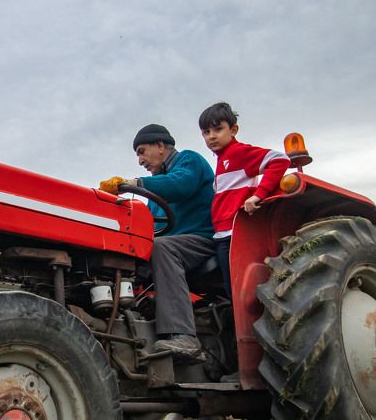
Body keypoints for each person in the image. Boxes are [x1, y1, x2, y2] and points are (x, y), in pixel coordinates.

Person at [98, 124, 215, 362]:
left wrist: (135, 184)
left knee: (163, 247)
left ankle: (183, 336)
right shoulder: (157, 189)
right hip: (175, 243)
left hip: (202, 240)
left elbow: (182, 184)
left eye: (142, 151)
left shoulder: (189, 161)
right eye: (138, 155)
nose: (140, 160)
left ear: (160, 146)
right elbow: (149, 226)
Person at [198, 103, 289, 298]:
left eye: (218, 129)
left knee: (237, 291)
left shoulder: (238, 153)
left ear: (233, 130)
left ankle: (244, 329)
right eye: (206, 132)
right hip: (222, 234)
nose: (211, 136)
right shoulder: (222, 160)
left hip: (233, 232)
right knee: (229, 290)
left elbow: (279, 160)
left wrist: (258, 195)